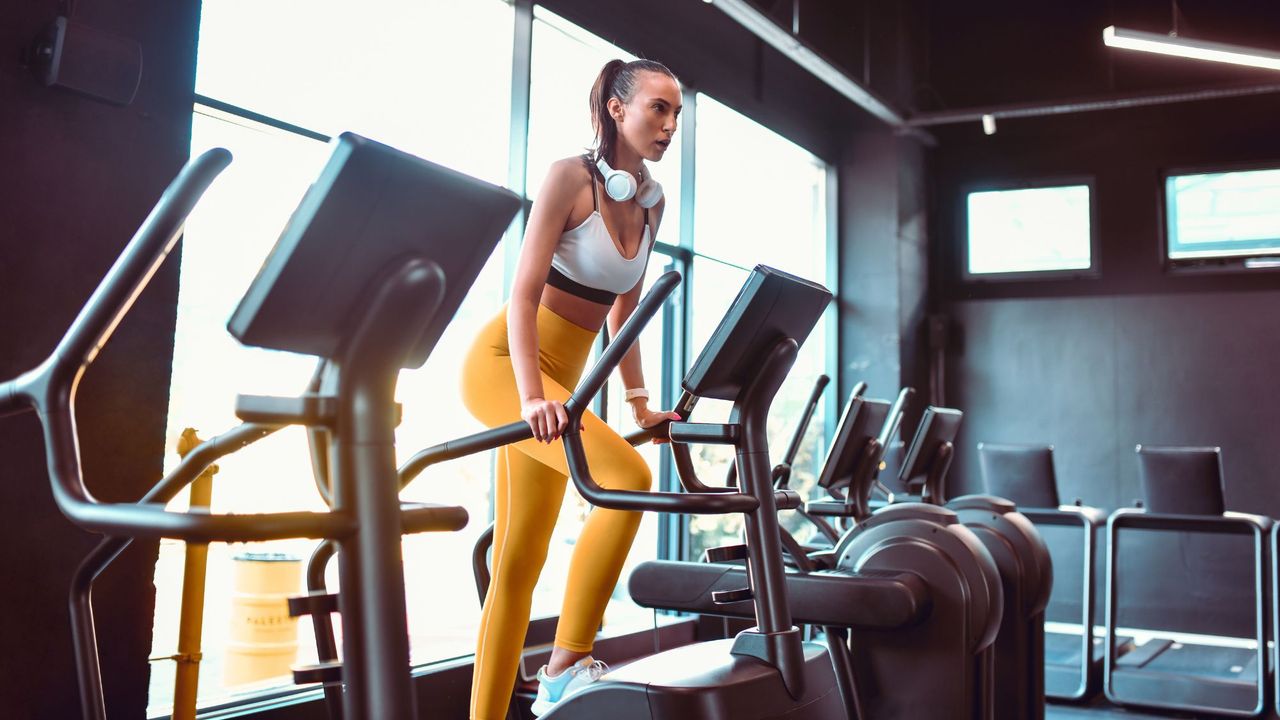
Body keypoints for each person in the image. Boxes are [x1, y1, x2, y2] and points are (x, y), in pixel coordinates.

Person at [460, 58, 682, 719]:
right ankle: (564, 667)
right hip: (506, 364)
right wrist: (532, 397)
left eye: (676, 113)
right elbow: (523, 297)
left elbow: (626, 314)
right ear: (618, 111)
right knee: (627, 479)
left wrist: (641, 402)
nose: (670, 125)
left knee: (518, 564)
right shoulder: (570, 178)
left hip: (562, 387)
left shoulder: (650, 201)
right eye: (658, 108)